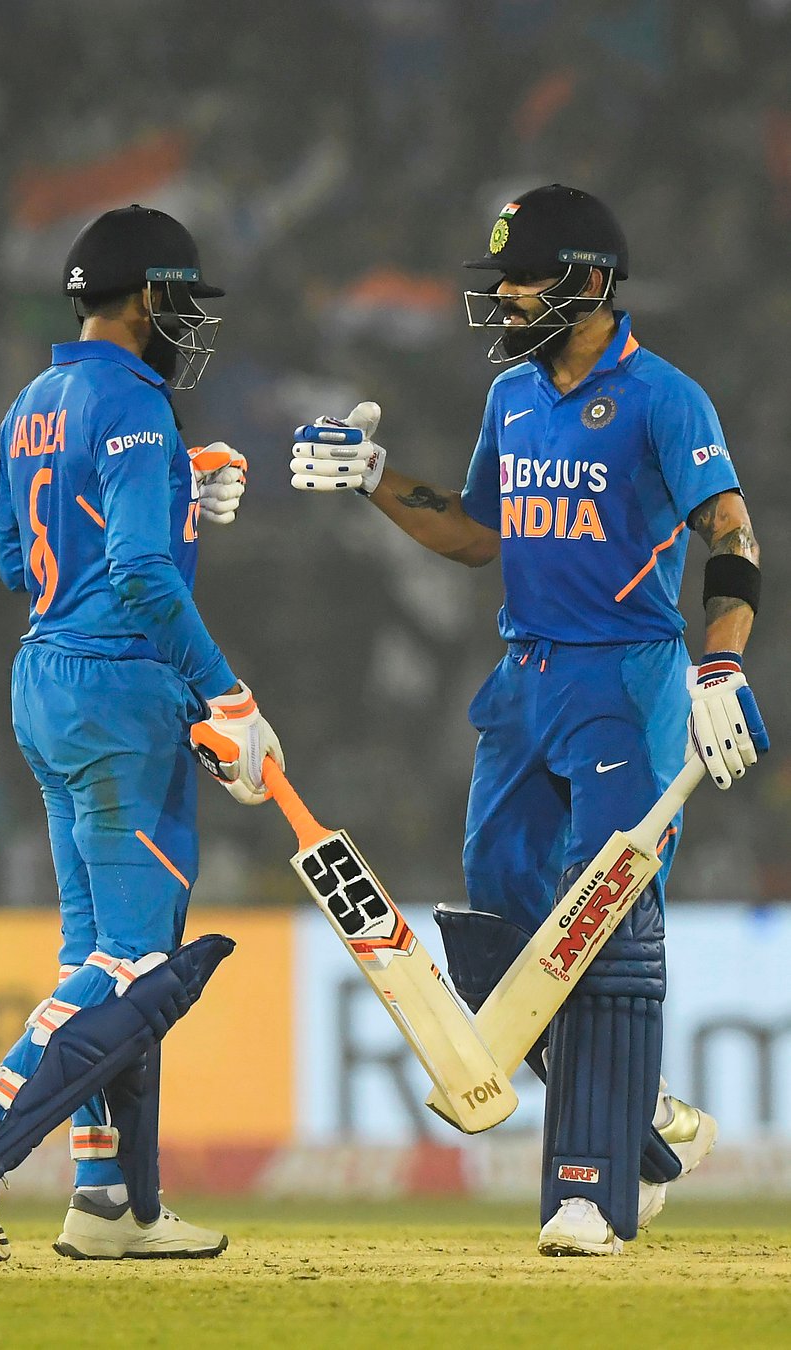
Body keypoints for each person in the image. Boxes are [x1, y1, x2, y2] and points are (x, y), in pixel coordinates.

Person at [289, 184, 768, 1255]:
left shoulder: (664, 397)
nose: (503, 295)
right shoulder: (510, 394)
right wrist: (373, 477)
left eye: (527, 277)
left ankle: (589, 1193)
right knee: (501, 923)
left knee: (597, 921)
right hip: (524, 681)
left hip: (624, 680)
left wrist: (723, 663)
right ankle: (640, 1124)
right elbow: (475, 536)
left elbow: (729, 533)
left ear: (592, 283)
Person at [0, 204, 284, 1262]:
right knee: (132, 960)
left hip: (45, 682)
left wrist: (173, 486)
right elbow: (142, 574)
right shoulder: (133, 403)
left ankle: (108, 1201)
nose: (188, 326)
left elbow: (18, 560)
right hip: (122, 696)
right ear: (149, 297)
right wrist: (229, 697)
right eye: (183, 304)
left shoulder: (33, 399)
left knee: (103, 954)